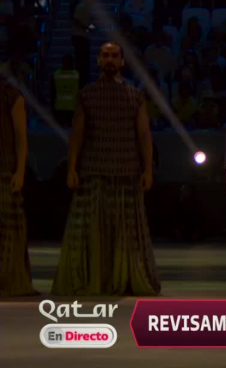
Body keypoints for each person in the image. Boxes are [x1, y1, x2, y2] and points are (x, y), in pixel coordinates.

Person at [52, 42, 161, 296]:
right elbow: (77, 135)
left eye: (114, 56)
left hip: (126, 170)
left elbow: (144, 135)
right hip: (93, 170)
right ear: (99, 61)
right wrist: (72, 167)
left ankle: (125, 278)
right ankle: (92, 279)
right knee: (91, 231)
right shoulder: (86, 95)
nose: (109, 59)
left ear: (122, 61)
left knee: (125, 233)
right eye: (105, 55)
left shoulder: (136, 96)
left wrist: (148, 169)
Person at [0, 78, 36, 297]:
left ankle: (9, 280)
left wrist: (20, 172)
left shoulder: (11, 95)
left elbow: (21, 138)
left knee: (8, 232)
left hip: (4, 171)